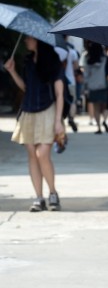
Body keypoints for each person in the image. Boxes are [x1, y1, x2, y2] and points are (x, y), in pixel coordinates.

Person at [3, 36, 64, 212]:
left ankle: (52, 193)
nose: (25, 40)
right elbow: (26, 87)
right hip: (28, 111)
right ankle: (39, 197)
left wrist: (58, 121)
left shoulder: (53, 61)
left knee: (42, 154)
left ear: (38, 39)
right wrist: (12, 71)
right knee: (32, 155)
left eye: (28, 38)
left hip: (48, 110)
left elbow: (60, 94)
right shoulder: (28, 61)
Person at [81, 41, 108, 134]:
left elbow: (85, 75)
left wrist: (86, 85)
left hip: (92, 87)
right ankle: (105, 120)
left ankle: (98, 127)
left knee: (96, 108)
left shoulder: (87, 59)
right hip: (103, 85)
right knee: (107, 106)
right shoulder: (105, 59)